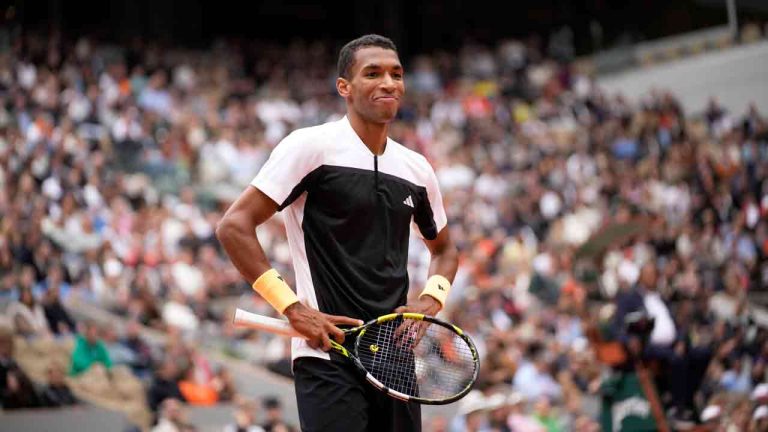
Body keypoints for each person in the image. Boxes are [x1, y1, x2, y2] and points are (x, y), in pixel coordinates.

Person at [216, 34, 458, 432]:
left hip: (394, 359)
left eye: (396, 74)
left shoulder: (417, 170)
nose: (388, 83)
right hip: (327, 353)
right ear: (343, 87)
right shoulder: (310, 147)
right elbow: (234, 227)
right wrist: (294, 309)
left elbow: (445, 251)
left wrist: (432, 300)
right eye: (373, 73)